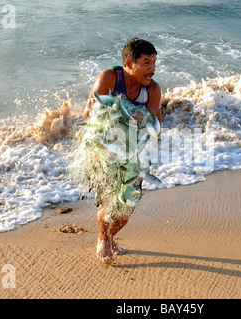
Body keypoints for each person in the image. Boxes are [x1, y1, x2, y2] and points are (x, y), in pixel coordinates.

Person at [83, 38, 162, 264]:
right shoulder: (109, 78)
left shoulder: (153, 90)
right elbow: (89, 112)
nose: (152, 69)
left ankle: (110, 236)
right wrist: (118, 114)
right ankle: (103, 239)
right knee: (109, 202)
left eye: (154, 62)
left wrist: (147, 122)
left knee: (128, 204)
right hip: (102, 150)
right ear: (129, 64)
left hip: (133, 155)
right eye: (146, 63)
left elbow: (157, 124)